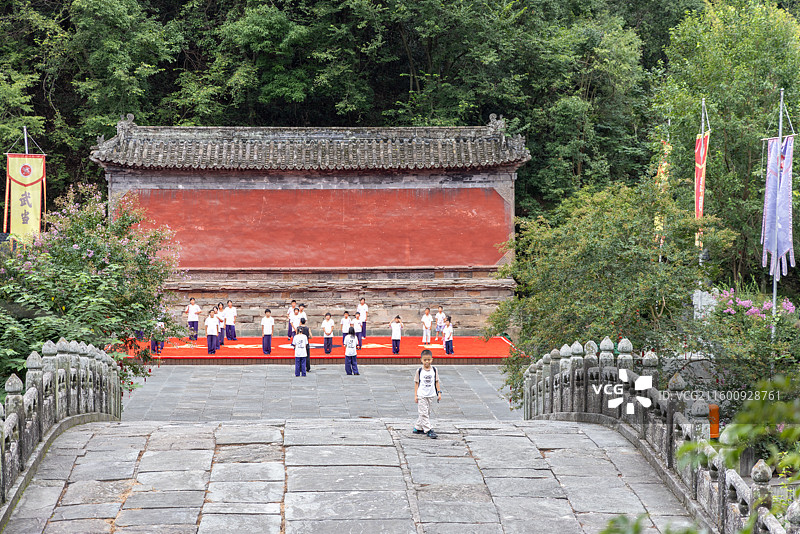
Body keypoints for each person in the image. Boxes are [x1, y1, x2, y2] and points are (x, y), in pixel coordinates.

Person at [413, 350, 441, 439]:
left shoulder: (434, 370)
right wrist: (416, 395)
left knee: (427, 412)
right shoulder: (419, 371)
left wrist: (439, 393)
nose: (427, 362)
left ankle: (417, 427)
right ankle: (429, 429)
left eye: (428, 360)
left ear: (431, 360)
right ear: (421, 360)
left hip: (431, 394)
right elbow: (416, 383)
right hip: (421, 394)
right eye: (425, 360)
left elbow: (437, 382)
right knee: (423, 412)